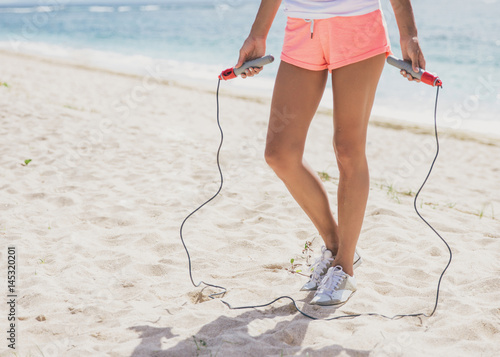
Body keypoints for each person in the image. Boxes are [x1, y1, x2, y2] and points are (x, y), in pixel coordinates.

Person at [235, 0, 425, 305]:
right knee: (279, 153)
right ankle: (337, 245)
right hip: (302, 29)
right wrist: (257, 34)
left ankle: (344, 266)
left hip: (358, 27)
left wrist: (409, 35)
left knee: (348, 150)